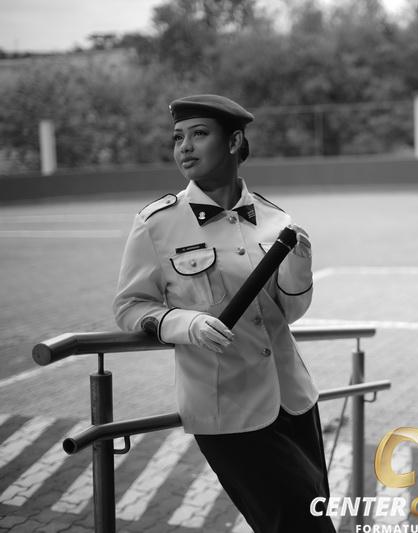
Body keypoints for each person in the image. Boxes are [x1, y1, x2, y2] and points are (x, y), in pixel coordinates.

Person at [113, 94, 335, 533]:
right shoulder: (158, 223)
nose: (185, 147)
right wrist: (187, 324)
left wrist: (300, 268)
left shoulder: (274, 218)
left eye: (199, 134)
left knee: (312, 513)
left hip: (294, 398)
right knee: (297, 523)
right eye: (178, 137)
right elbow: (130, 307)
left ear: (233, 142)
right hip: (227, 407)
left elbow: (289, 313)